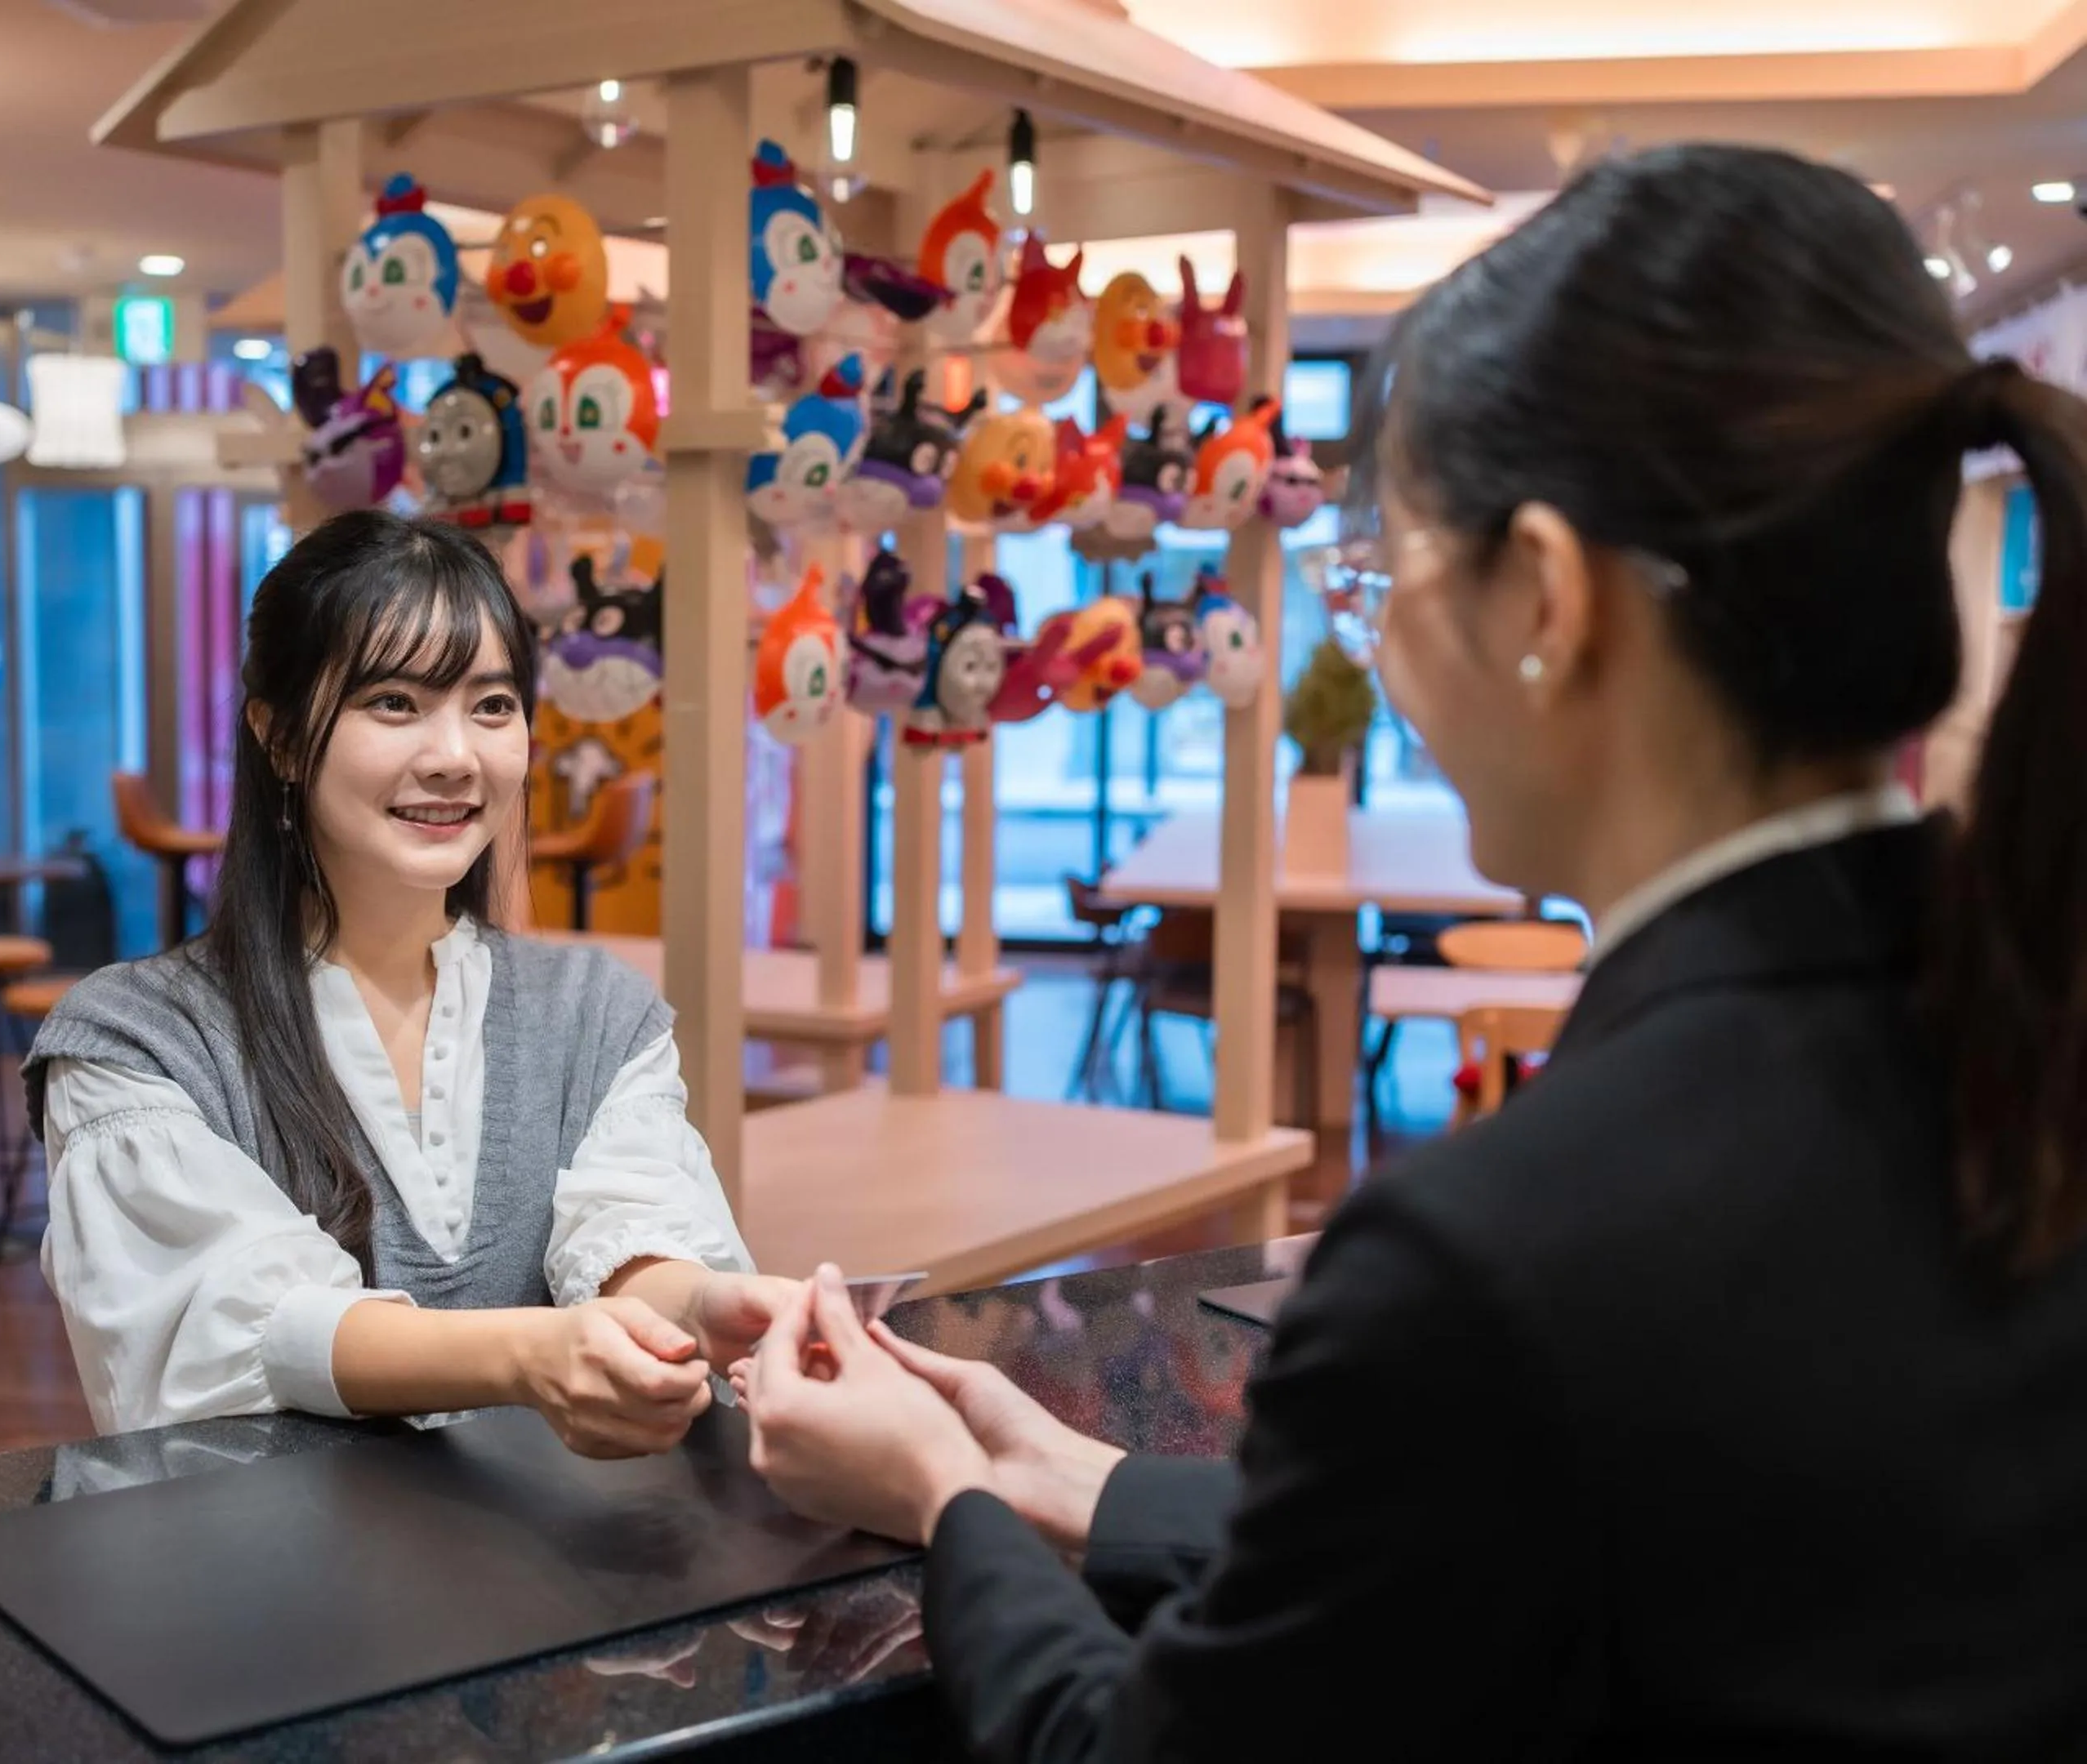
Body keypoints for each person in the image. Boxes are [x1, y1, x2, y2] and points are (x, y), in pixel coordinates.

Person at [735, 144, 2087, 1759]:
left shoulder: (1496, 1255)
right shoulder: (2022, 1045)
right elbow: (1571, 1532)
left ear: (1550, 598)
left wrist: (941, 1499)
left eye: (1385, 576)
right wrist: (1087, 1485)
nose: (1375, 649)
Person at [25, 510, 794, 1454]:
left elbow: (632, 1234)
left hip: (565, 1573)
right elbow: (244, 1327)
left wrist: (710, 1306)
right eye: (393, 702)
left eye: (492, 705)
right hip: (273, 1585)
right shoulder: (138, 1044)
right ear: (278, 736)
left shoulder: (597, 1015)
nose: (455, 756)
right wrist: (525, 1352)